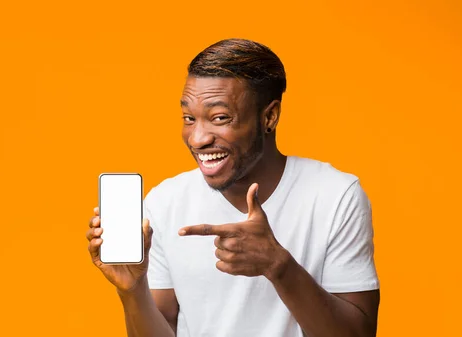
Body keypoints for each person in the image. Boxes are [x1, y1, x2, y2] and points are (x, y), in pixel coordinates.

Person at [86, 38, 380, 337]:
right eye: (189, 118)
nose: (198, 138)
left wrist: (278, 265)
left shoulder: (335, 195)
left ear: (269, 116)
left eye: (219, 118)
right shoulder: (165, 202)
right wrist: (133, 291)